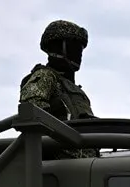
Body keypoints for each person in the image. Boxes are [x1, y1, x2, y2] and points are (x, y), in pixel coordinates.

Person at [19, 20, 98, 159]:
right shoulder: (45, 76)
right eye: (74, 47)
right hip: (59, 162)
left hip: (85, 162)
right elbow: (32, 113)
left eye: (80, 49)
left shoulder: (77, 92)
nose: (79, 54)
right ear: (57, 47)